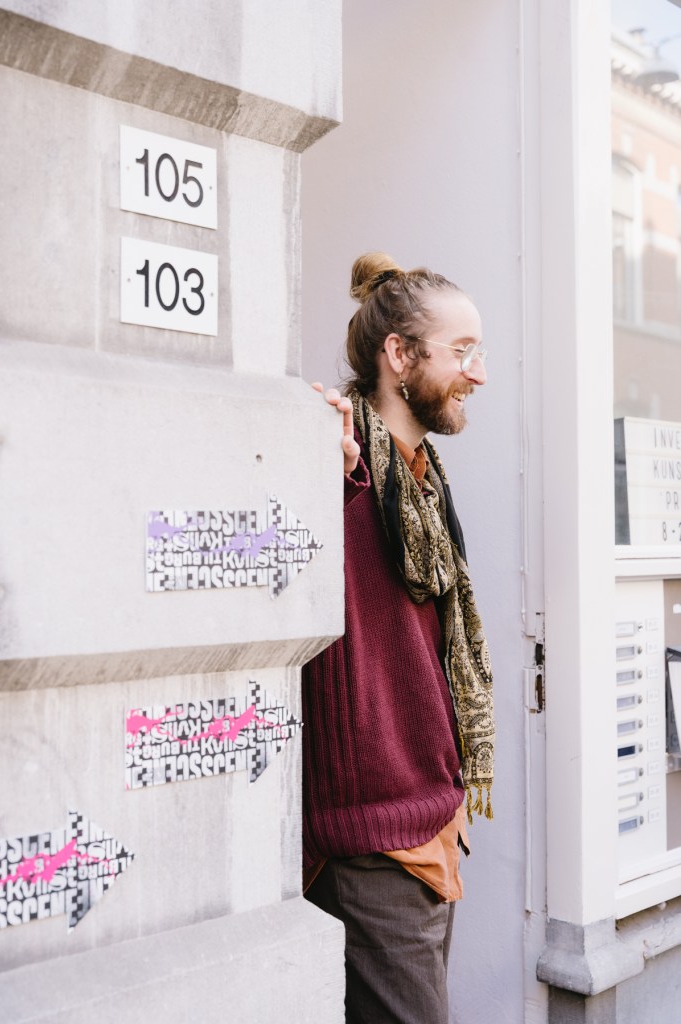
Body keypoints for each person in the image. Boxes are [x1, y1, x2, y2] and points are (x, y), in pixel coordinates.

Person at [302, 252, 495, 1024]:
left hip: (430, 823)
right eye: (462, 352)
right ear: (399, 354)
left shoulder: (419, 479)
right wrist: (308, 448)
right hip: (372, 842)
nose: (479, 374)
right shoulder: (342, 464)